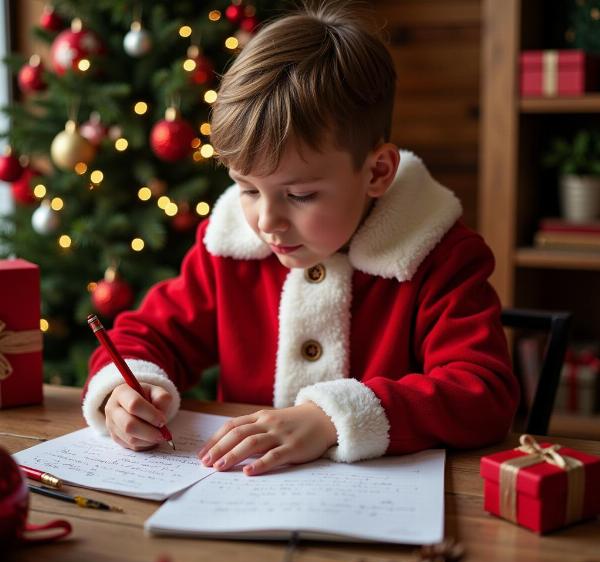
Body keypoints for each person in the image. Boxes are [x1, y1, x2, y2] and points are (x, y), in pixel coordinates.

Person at [82, 1, 518, 476]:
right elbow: (147, 334)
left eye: (300, 194)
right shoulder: (229, 251)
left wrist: (332, 418)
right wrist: (126, 391)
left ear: (377, 171)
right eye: (246, 189)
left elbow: (484, 393)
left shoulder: (440, 256)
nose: (267, 221)